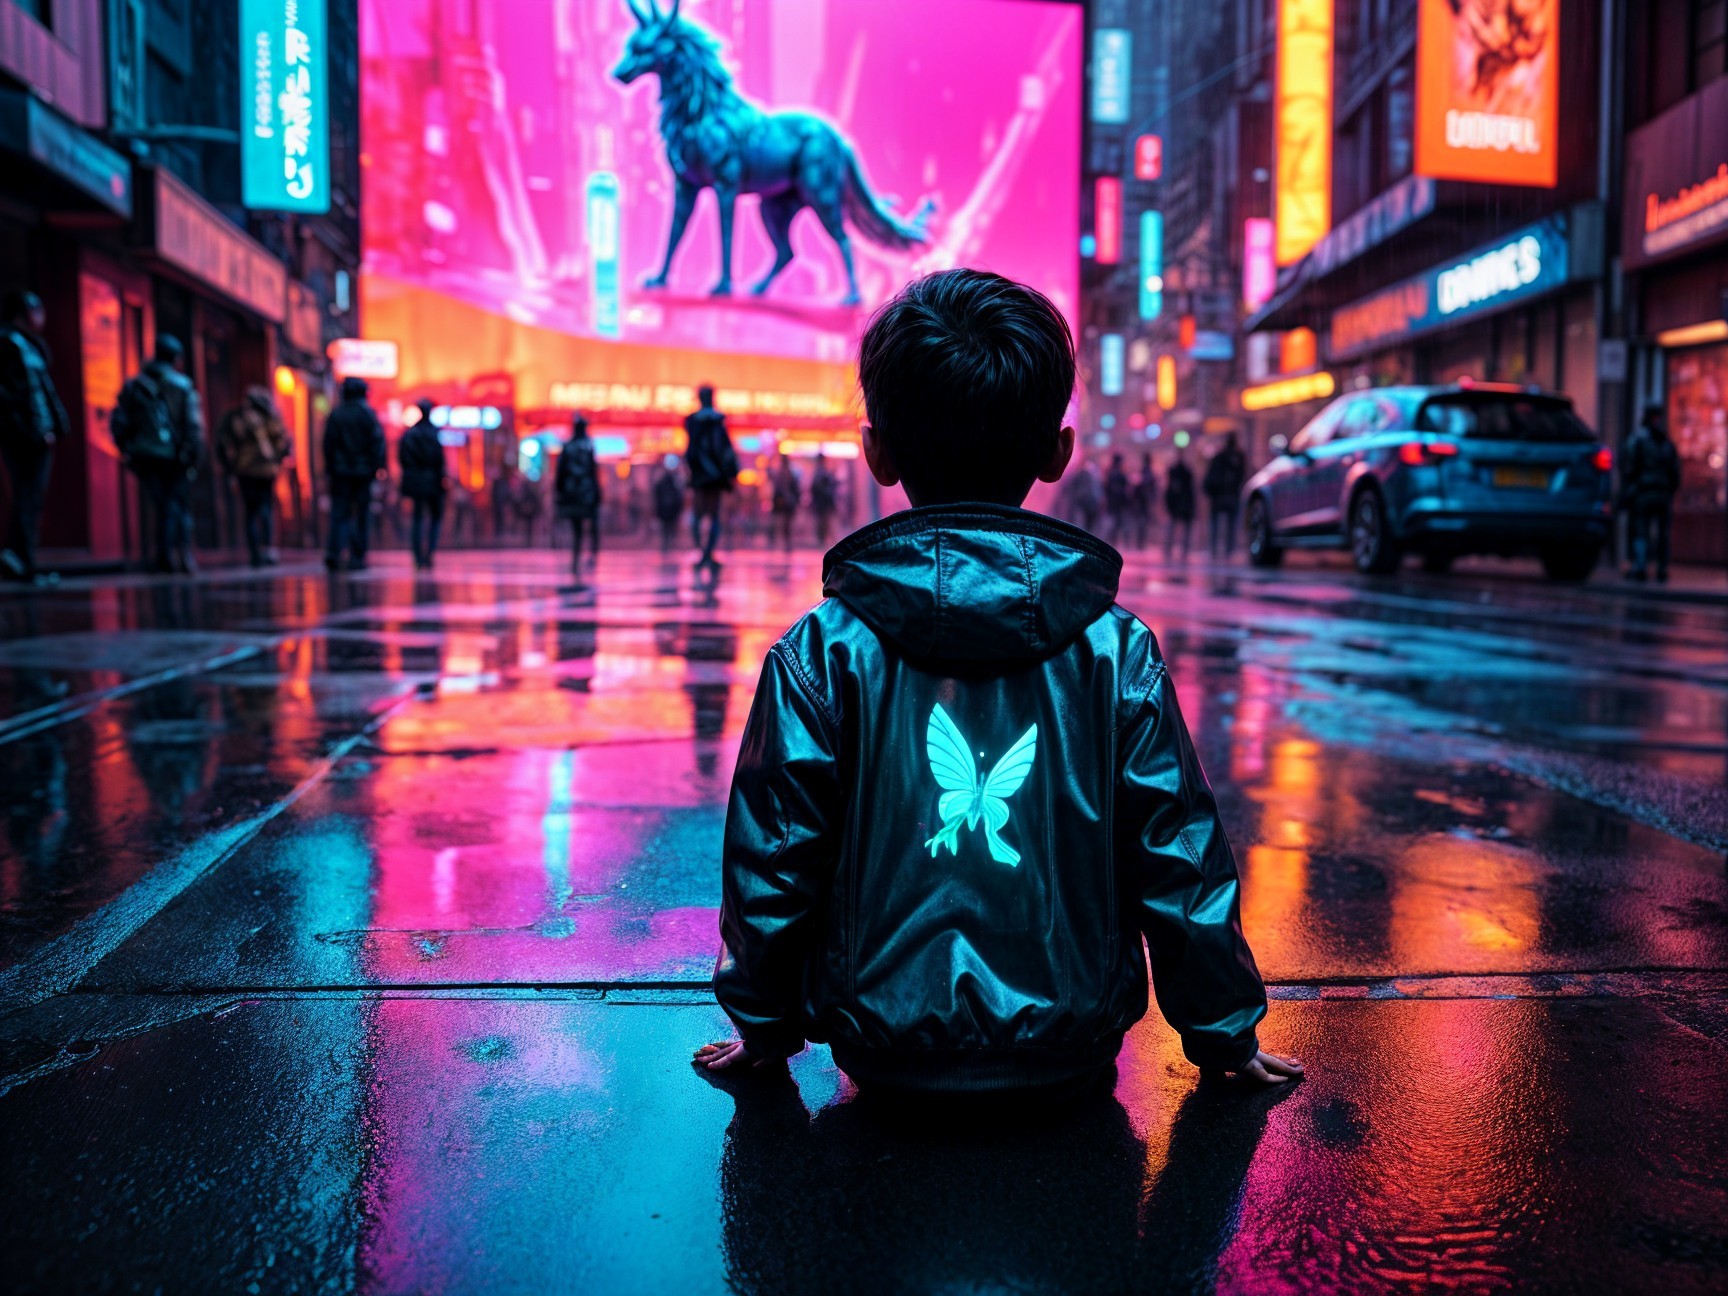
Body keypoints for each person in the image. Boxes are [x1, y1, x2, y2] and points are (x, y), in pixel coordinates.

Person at [694, 268, 1297, 1097]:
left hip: (881, 1055)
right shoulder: (1115, 651)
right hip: (1070, 1052)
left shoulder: (821, 653)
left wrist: (763, 1024)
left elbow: (774, 853)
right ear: (1058, 452)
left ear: (877, 452)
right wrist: (1224, 1032)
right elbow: (1177, 852)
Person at [113, 335, 203, 575]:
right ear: (176, 358)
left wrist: (127, 448)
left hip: (145, 454)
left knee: (159, 504)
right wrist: (192, 454)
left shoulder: (135, 384)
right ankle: (178, 553)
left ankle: (162, 554)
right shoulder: (182, 385)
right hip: (175, 456)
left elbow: (119, 420)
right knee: (176, 504)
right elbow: (193, 425)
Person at [0, 290, 67, 584]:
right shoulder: (9, 343)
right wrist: (34, 430)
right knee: (27, 497)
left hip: (36, 433)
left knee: (30, 498)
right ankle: (21, 561)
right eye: (36, 310)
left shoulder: (30, 346)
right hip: (26, 435)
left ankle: (19, 558)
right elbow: (18, 396)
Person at [216, 386, 291, 568]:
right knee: (265, 507)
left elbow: (223, 441)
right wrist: (277, 461)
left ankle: (255, 551)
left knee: (251, 511)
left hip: (245, 469)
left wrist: (229, 467)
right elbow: (284, 442)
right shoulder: (270, 416)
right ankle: (267, 548)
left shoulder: (237, 417)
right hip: (266, 470)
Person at [322, 375, 385, 571]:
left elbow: (328, 444)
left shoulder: (337, 414)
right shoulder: (368, 414)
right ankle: (357, 554)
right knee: (361, 513)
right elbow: (378, 444)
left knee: (340, 512)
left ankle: (335, 551)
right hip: (363, 473)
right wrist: (375, 468)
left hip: (340, 473)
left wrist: (331, 468)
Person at [685, 384, 739, 578]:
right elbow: (726, 450)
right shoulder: (718, 421)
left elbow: (690, 450)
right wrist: (729, 473)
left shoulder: (693, 421)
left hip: (700, 475)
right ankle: (707, 553)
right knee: (712, 516)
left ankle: (704, 553)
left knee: (699, 516)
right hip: (715, 476)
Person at [1623, 403, 1682, 583]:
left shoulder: (1639, 440)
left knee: (1642, 530)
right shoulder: (1666, 443)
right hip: (1661, 492)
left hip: (1645, 492)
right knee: (1661, 532)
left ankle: (1641, 566)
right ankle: (1660, 568)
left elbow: (1629, 467)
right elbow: (1675, 472)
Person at [399, 398, 449, 570]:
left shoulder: (410, 434)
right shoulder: (434, 433)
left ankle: (418, 555)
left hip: (417, 482)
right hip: (433, 482)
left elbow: (403, 458)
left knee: (418, 518)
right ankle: (429, 553)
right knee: (434, 517)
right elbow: (440, 461)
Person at [555, 413, 604, 577]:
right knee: (590, 525)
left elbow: (560, 473)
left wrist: (560, 492)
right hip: (586, 494)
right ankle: (590, 554)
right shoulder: (588, 446)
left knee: (577, 529)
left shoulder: (569, 447)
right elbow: (593, 472)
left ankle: (577, 557)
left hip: (573, 494)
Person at [1203, 432, 1246, 560]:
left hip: (1219, 495)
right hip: (1231, 494)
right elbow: (1241, 476)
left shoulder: (1220, 456)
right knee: (1230, 523)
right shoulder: (1239, 457)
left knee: (1216, 522)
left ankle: (1214, 548)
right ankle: (1229, 549)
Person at [1163, 453, 1195, 562]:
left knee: (1173, 527)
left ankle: (1171, 549)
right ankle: (1178, 550)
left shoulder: (1176, 474)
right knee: (1176, 528)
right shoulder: (1185, 474)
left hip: (1179, 505)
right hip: (1181, 505)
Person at [768, 452, 802, 552]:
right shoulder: (787, 473)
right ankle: (783, 543)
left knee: (781, 524)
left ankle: (780, 543)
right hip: (786, 503)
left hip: (785, 503)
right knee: (783, 524)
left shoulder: (782, 473)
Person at [653, 457, 685, 553]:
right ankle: (669, 545)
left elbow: (657, 497)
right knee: (669, 528)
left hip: (665, 510)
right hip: (670, 510)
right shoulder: (674, 483)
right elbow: (679, 497)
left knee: (665, 528)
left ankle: (666, 545)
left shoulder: (661, 483)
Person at [809, 451, 840, 546]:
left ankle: (826, 542)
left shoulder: (820, 473)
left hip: (822, 503)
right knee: (825, 523)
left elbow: (814, 488)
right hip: (823, 503)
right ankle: (827, 542)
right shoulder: (822, 473)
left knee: (824, 523)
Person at [1103, 452, 1132, 545]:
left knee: (1113, 523)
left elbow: (1106, 488)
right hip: (1119, 504)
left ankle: (1111, 542)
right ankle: (1116, 542)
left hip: (1112, 503)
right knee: (1118, 524)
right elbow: (1125, 490)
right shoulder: (1121, 475)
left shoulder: (1110, 474)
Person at [1130, 452, 1157, 550]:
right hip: (1144, 503)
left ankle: (1140, 543)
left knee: (1141, 523)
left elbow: (1136, 489)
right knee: (1143, 524)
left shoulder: (1142, 473)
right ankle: (1141, 543)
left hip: (1141, 503)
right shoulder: (1150, 475)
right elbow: (1153, 490)